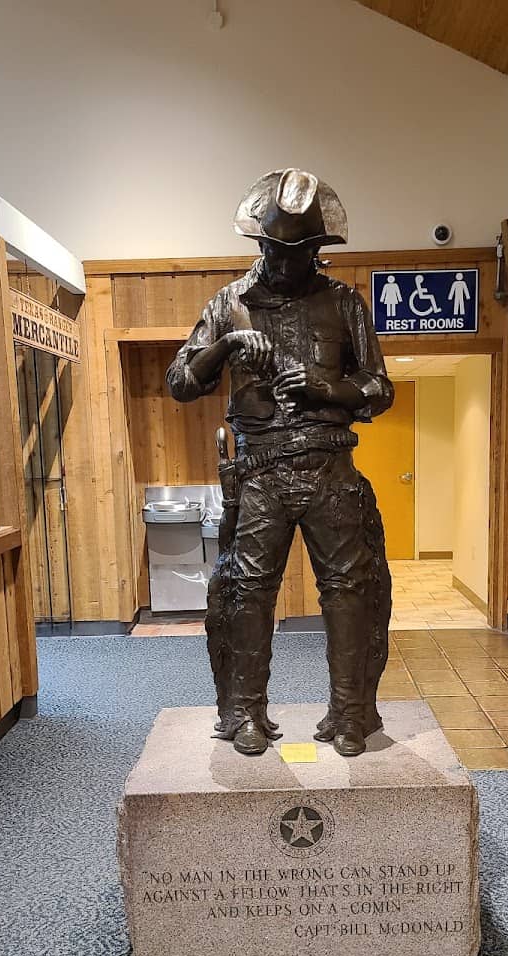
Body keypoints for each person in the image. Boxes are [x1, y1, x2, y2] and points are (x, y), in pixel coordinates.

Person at [167, 168, 393, 757]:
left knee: (348, 591)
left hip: (330, 469)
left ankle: (349, 714)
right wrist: (227, 345)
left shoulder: (343, 303)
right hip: (259, 472)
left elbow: (379, 388)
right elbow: (181, 382)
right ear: (260, 241)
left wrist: (328, 389)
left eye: (300, 252)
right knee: (248, 591)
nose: (286, 262)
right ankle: (245, 712)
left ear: (318, 248)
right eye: (275, 249)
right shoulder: (229, 304)